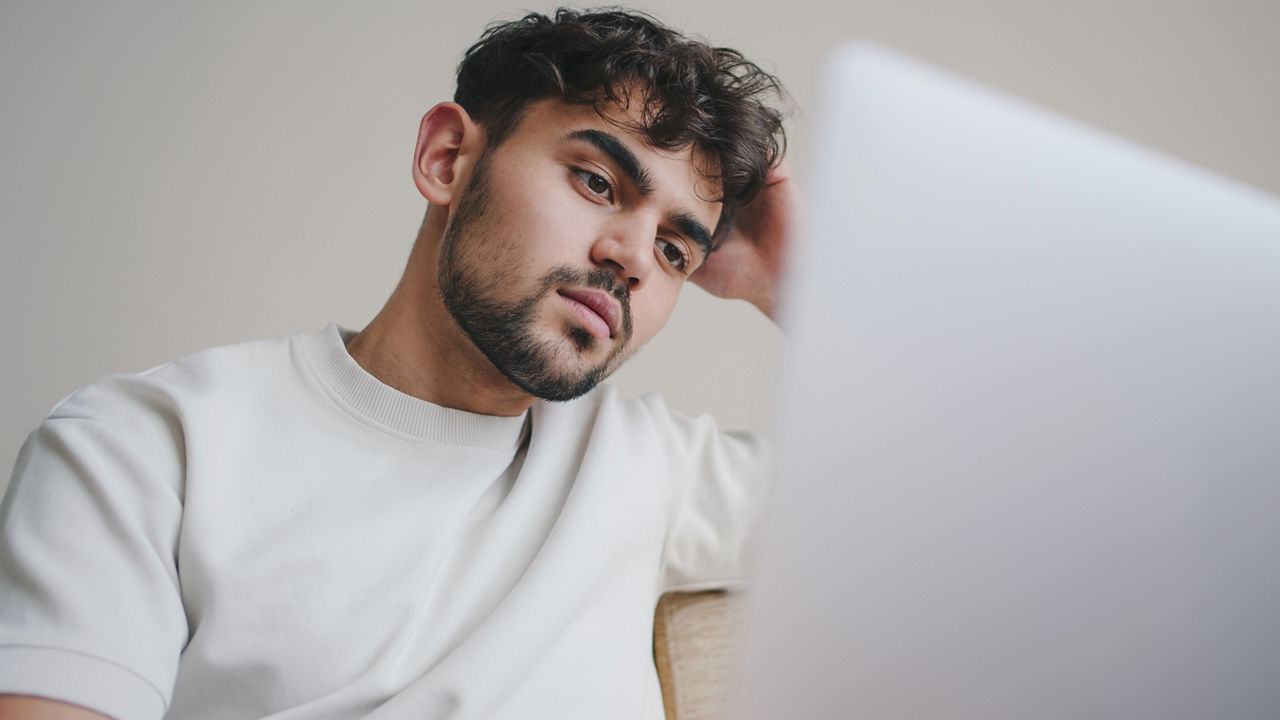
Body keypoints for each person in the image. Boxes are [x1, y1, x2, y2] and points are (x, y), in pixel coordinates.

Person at [0, 8, 795, 719]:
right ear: (448, 158)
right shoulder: (140, 450)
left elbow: (912, 522)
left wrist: (800, 287)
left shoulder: (647, 467)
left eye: (674, 249)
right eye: (597, 181)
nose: (632, 260)